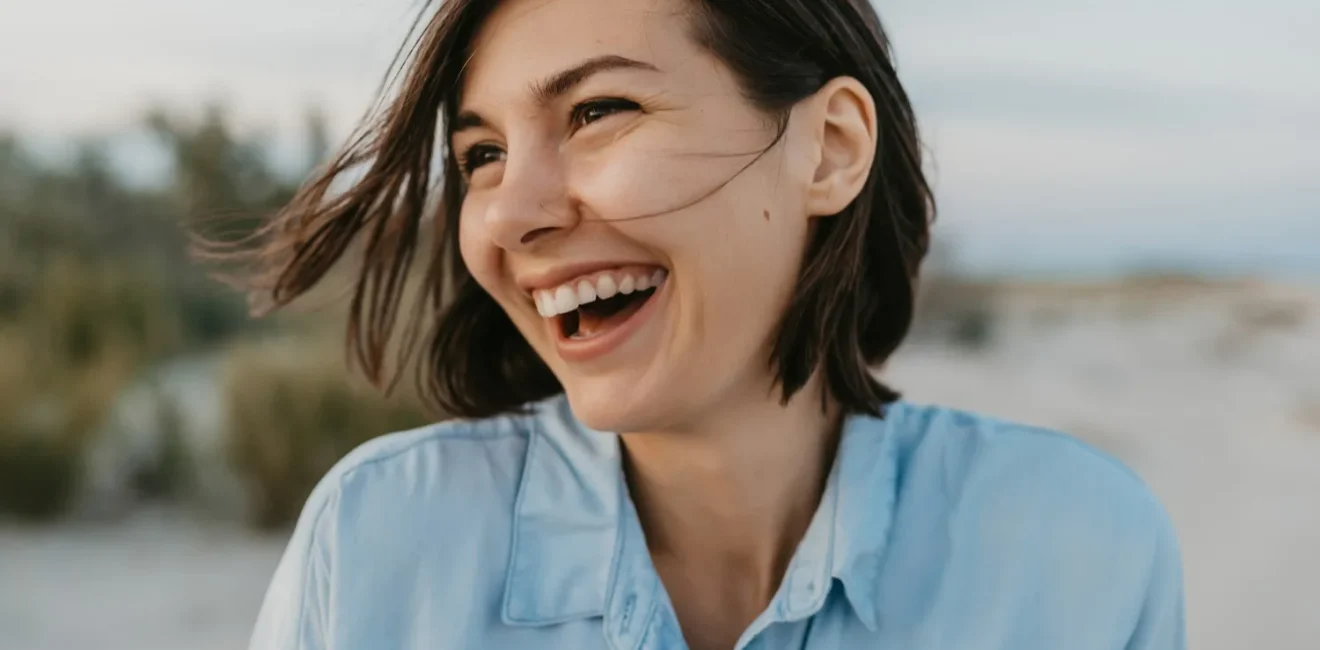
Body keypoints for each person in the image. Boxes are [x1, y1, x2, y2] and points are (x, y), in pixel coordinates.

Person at [241, 0, 1186, 648]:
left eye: (598, 111)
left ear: (830, 148)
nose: (508, 213)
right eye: (482, 154)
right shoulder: (380, 543)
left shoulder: (1076, 548)